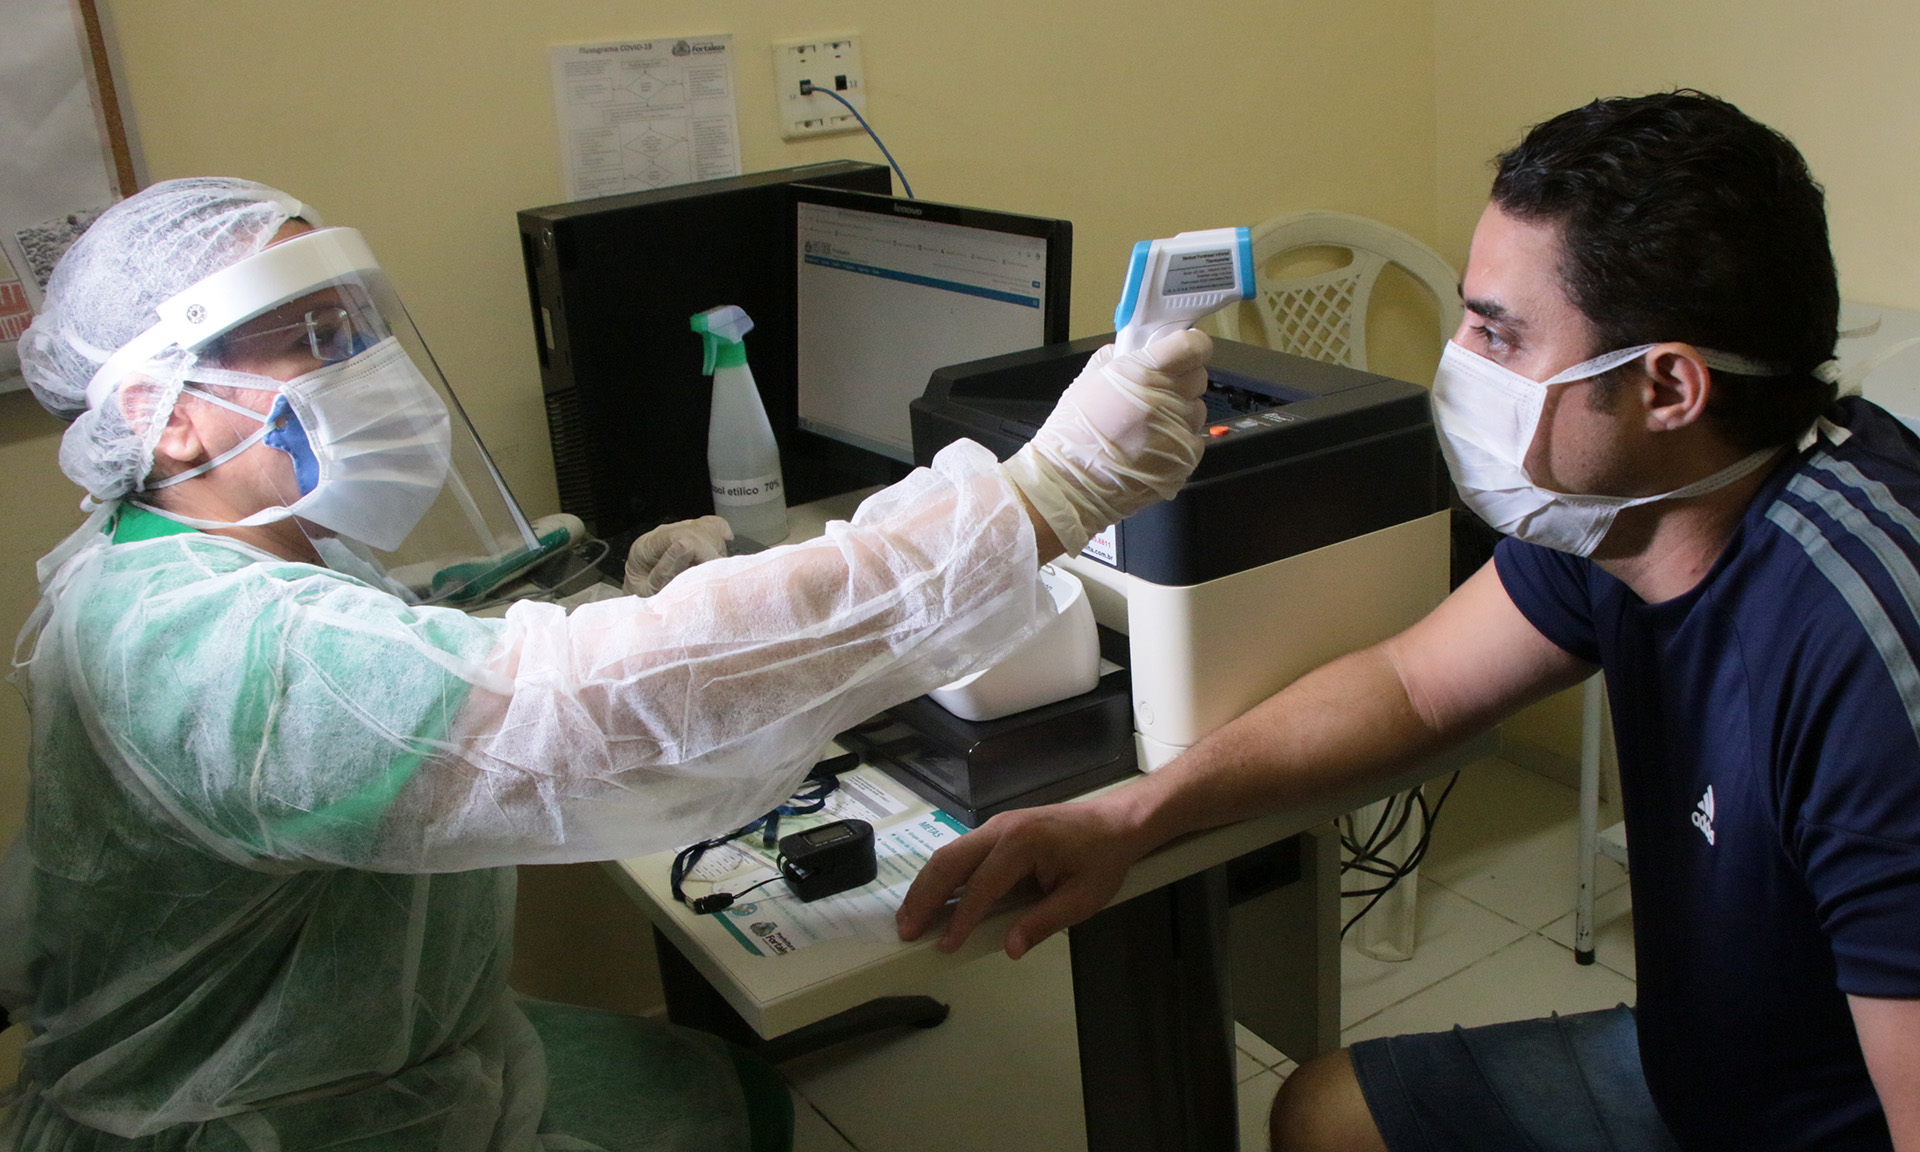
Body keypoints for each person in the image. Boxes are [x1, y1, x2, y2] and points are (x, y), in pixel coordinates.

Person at [0, 176, 1214, 1151]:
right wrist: (1040, 499)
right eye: (310, 338)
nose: (360, 358)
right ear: (167, 413)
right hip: (255, 1116)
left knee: (713, 1083)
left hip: (365, 1062)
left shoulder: (190, 557)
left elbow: (390, 648)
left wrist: (575, 571)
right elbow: (577, 712)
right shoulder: (205, 648)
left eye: (356, 320)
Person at [896, 91, 1920, 1152]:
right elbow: (1411, 683)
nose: (1459, 357)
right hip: (1705, 1073)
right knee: (1326, 1116)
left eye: (1497, 332)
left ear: (1668, 387)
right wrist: (1134, 817)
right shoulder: (1627, 519)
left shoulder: (1867, 662)